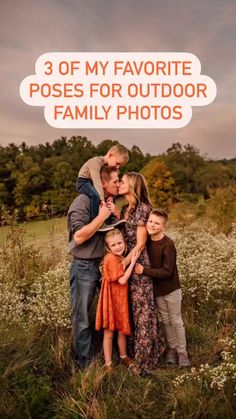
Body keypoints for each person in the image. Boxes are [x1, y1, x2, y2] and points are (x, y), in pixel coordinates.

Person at [67, 166, 120, 369]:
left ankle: (114, 353)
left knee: (110, 312)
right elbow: (79, 236)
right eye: (116, 180)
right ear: (103, 183)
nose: (119, 184)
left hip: (105, 265)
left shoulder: (110, 202)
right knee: (82, 317)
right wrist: (101, 216)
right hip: (84, 266)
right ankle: (86, 364)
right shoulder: (82, 201)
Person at [119, 172, 165, 376]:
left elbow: (140, 243)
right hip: (126, 264)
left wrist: (124, 263)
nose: (119, 183)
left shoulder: (142, 209)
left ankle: (145, 362)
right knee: (131, 311)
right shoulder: (124, 209)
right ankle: (133, 354)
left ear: (133, 185)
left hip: (137, 265)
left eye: (122, 181)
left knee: (143, 313)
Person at [134, 209, 190, 367]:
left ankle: (182, 351)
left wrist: (143, 271)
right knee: (165, 320)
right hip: (157, 290)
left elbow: (167, 271)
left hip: (172, 289)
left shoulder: (168, 244)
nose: (152, 225)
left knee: (176, 320)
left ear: (163, 226)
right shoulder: (146, 242)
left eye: (157, 223)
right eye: (150, 221)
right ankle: (171, 348)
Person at [95, 229, 139, 371]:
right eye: (113, 245)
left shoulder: (117, 257)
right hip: (111, 300)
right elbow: (122, 280)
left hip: (119, 298)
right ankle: (108, 364)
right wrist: (133, 262)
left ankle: (123, 355)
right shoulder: (112, 259)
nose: (118, 247)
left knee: (121, 329)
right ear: (108, 248)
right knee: (109, 331)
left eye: (120, 243)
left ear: (125, 243)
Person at [76, 144, 129, 220]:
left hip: (90, 182)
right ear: (110, 155)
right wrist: (102, 199)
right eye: (117, 163)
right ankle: (95, 219)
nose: (118, 167)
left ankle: (110, 220)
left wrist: (110, 196)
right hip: (83, 182)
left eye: (120, 165)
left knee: (111, 196)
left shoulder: (105, 166)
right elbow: (97, 182)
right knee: (95, 196)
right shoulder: (95, 162)